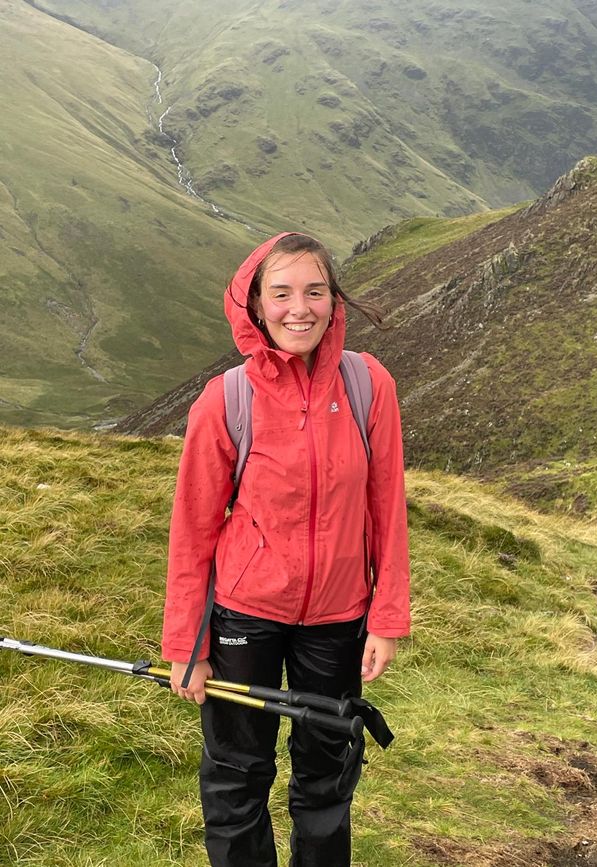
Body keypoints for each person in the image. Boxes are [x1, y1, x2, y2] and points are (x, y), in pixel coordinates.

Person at [161, 232, 410, 867]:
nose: (299, 308)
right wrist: (187, 648)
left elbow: (387, 509)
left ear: (334, 300)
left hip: (337, 619)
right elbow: (192, 531)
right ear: (254, 303)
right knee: (238, 773)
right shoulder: (227, 399)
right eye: (281, 293)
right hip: (244, 615)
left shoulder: (367, 385)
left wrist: (385, 618)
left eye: (314, 291)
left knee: (326, 775)